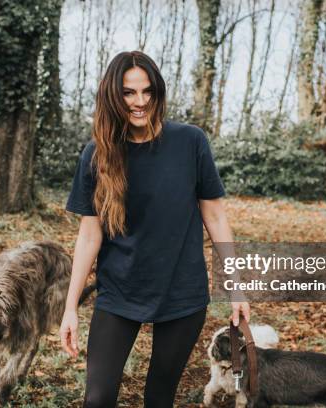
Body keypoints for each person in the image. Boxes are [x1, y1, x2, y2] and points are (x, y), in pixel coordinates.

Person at [59, 50, 250, 408]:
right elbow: (89, 234)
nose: (140, 102)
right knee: (97, 398)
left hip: (182, 292)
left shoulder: (190, 141)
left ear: (158, 93)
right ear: (113, 96)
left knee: (158, 398)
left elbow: (215, 217)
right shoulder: (96, 155)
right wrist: (70, 308)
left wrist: (236, 287)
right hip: (119, 290)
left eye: (148, 92)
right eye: (129, 93)